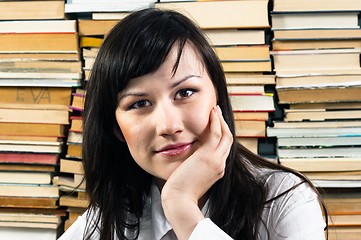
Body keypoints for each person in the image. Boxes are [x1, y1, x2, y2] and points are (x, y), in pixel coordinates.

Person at [58, 8, 327, 240]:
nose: (168, 125)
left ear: (217, 97)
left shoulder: (285, 200)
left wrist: (181, 206)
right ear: (116, 127)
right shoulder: (109, 220)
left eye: (185, 93)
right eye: (139, 103)